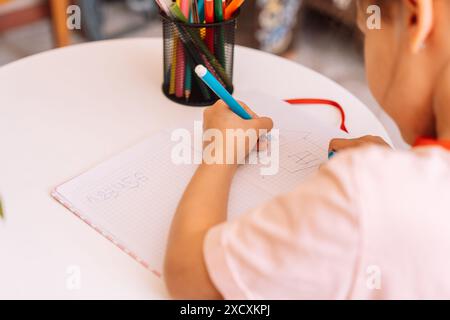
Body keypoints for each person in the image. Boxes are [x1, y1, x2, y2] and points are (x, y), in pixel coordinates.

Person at [164, 0, 450, 299]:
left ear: (416, 18)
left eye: (368, 30)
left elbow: (190, 278)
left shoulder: (363, 195)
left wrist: (220, 153)